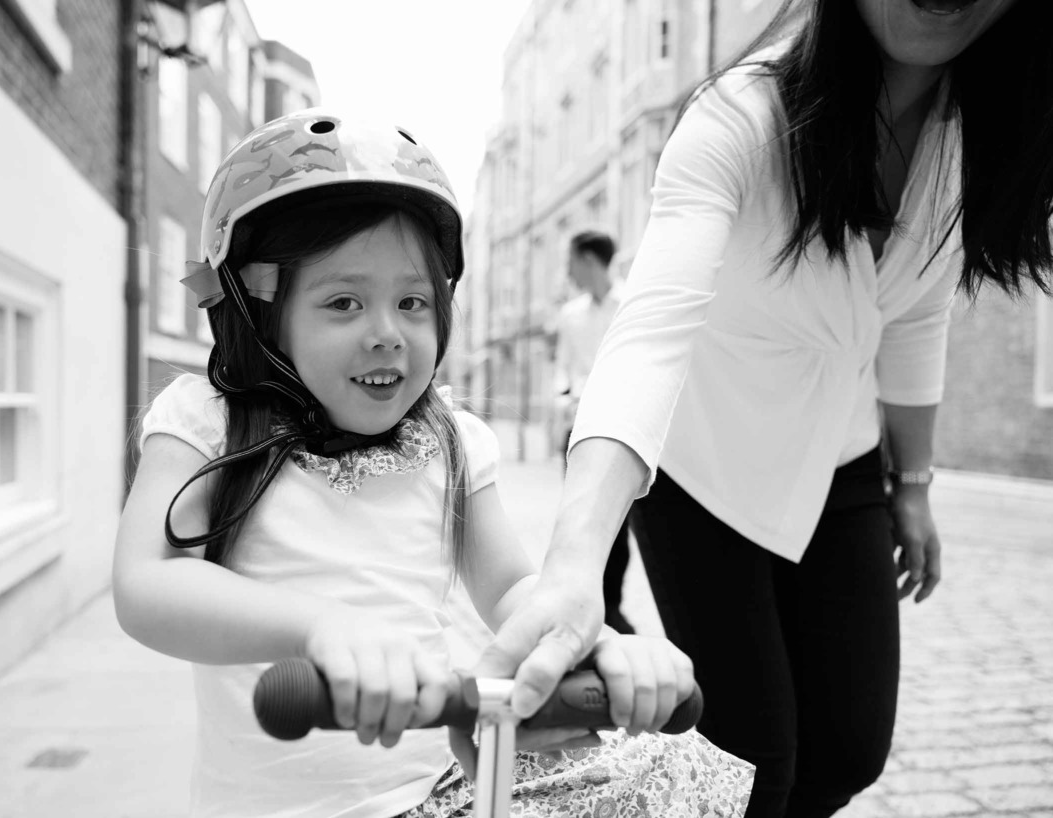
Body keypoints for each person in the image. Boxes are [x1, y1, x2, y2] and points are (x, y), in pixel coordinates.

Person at [475, 0, 1053, 816]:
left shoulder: (975, 133)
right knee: (755, 760)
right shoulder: (741, 117)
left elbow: (915, 315)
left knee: (849, 750)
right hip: (698, 468)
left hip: (839, 464)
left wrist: (913, 484)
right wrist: (573, 567)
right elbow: (648, 335)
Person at [112, 110, 753, 818]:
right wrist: (321, 625)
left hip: (443, 791)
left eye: (412, 301)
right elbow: (147, 583)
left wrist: (597, 644)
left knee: (666, 774)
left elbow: (511, 588)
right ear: (255, 311)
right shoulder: (208, 421)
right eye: (344, 302)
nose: (388, 333)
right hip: (276, 807)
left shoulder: (450, 438)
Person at [554, 230, 635, 635]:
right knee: (583, 519)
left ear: (588, 259)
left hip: (629, 428)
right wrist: (564, 397)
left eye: (570, 260)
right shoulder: (570, 315)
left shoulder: (634, 304)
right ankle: (594, 609)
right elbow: (563, 369)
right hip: (581, 428)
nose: (566, 270)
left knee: (622, 524)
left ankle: (612, 608)